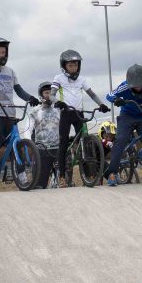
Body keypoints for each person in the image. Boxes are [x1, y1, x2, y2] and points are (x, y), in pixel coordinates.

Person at [0, 37, 39, 191]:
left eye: (3, 52)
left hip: (9, 112)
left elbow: (18, 90)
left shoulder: (11, 71)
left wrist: (30, 98)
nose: (1, 55)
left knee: (16, 145)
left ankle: (22, 175)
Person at [51, 49, 110, 187]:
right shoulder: (58, 78)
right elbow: (51, 95)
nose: (74, 68)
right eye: (70, 65)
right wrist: (57, 102)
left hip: (79, 114)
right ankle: (61, 176)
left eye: (76, 65)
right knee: (63, 143)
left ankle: (90, 174)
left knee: (86, 143)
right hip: (66, 113)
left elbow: (92, 94)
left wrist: (101, 104)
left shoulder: (82, 80)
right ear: (64, 66)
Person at [31, 81, 60, 188]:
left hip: (58, 149)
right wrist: (29, 143)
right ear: (41, 95)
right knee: (39, 185)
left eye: (50, 93)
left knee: (65, 183)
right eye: (46, 93)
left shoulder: (59, 109)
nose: (48, 95)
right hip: (41, 150)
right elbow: (28, 129)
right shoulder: (35, 111)